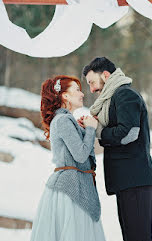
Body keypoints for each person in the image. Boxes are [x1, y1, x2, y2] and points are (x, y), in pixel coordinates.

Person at [81, 57, 152, 241]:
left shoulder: (125, 95)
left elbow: (129, 133)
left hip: (135, 180)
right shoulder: (114, 98)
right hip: (127, 181)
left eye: (92, 82)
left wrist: (98, 131)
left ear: (106, 76)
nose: (91, 89)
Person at [30, 75, 106, 241]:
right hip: (70, 189)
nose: (82, 94)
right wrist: (91, 130)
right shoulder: (63, 120)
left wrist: (84, 130)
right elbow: (80, 155)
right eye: (77, 90)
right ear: (65, 95)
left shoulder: (66, 120)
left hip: (75, 185)